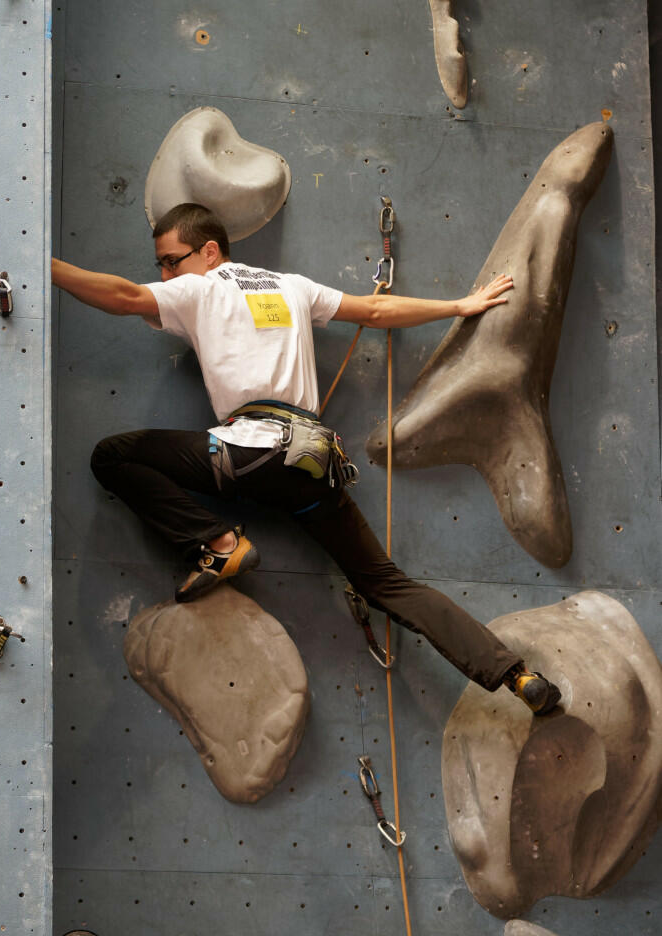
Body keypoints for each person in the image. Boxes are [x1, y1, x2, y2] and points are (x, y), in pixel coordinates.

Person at [52, 202, 560, 714]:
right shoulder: (291, 287)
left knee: (113, 457)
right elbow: (376, 312)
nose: (164, 275)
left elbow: (124, 297)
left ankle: (220, 543)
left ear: (208, 252)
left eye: (170, 261)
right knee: (387, 584)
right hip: (311, 466)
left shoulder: (201, 288)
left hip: (249, 451)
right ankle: (517, 676)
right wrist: (459, 306)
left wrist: (44, 265)